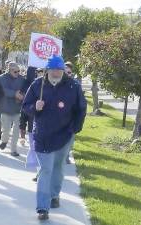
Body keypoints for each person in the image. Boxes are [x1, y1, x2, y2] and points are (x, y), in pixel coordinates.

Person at [22, 55, 87, 221]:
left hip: (65, 135)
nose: (57, 72)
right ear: (48, 70)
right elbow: (25, 107)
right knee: (45, 170)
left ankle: (54, 195)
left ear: (63, 70)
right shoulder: (38, 85)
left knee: (58, 168)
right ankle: (43, 207)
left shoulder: (73, 86)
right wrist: (34, 107)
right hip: (43, 134)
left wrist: (75, 128)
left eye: (60, 69)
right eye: (53, 69)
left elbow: (81, 108)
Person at [0, 62, 25, 157]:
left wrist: (22, 95)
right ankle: (4, 141)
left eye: (18, 71)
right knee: (6, 130)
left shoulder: (22, 79)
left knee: (16, 131)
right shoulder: (1, 78)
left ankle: (13, 149)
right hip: (6, 108)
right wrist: (14, 94)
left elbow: (25, 90)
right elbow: (2, 90)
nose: (17, 73)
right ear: (9, 70)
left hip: (17, 109)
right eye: (15, 71)